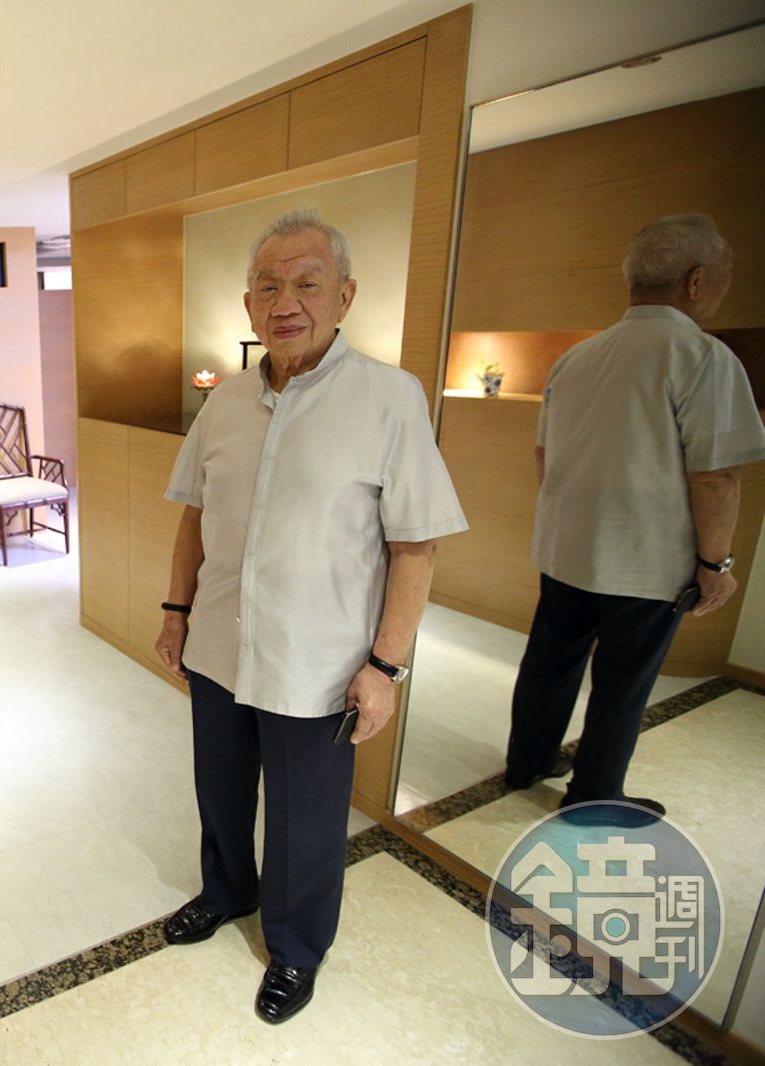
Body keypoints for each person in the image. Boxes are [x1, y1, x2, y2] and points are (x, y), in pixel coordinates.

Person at [155, 209, 467, 1024]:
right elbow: (193, 515)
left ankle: (296, 947)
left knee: (306, 819)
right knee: (221, 791)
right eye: (268, 287)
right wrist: (176, 611)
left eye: (306, 283)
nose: (285, 301)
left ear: (345, 296)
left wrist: (386, 666)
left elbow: (416, 546)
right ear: (248, 305)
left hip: (319, 660)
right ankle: (227, 891)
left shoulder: (390, 398)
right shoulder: (225, 401)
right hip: (220, 644)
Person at [504, 213, 765, 828]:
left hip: (568, 547)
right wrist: (716, 563)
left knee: (550, 662)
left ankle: (527, 763)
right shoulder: (702, 357)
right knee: (624, 681)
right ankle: (593, 796)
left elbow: (544, 455)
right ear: (697, 280)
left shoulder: (578, 357)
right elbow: (716, 475)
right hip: (646, 559)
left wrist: (573, 520)